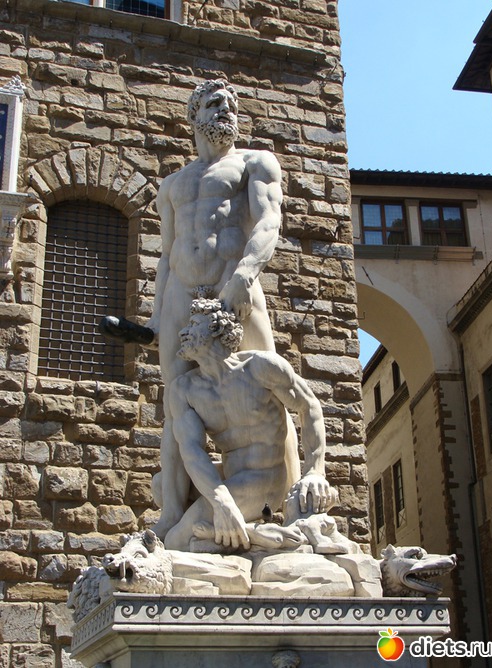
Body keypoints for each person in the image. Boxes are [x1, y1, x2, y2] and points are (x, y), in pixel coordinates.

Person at [146, 79, 299, 539]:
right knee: (176, 403)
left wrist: (244, 276)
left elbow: (269, 221)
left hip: (235, 285)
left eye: (231, 105)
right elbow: (166, 253)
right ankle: (172, 516)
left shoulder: (255, 163)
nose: (226, 110)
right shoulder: (172, 185)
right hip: (180, 295)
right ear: (194, 115)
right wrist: (155, 316)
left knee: (272, 390)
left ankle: (294, 509)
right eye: (215, 104)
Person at [165, 298, 335, 551]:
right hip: (231, 477)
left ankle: (239, 534)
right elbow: (192, 452)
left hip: (265, 480)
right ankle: (253, 534)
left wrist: (315, 471)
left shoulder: (260, 367)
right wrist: (222, 503)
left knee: (176, 541)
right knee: (161, 487)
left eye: (193, 324)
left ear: (216, 329)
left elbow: (308, 407)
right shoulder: (184, 389)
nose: (183, 332)